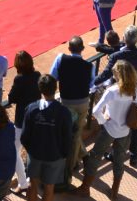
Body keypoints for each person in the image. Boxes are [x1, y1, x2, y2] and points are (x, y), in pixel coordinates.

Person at [77, 61, 137, 200]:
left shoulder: (112, 91)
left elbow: (95, 110)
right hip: (125, 132)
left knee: (95, 157)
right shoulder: (135, 89)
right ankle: (114, 192)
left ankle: (85, 188)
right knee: (119, 161)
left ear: (119, 75)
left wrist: (104, 120)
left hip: (109, 131)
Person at [21, 74, 73, 201]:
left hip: (35, 155)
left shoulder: (31, 108)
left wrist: (31, 151)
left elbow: (24, 136)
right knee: (50, 188)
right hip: (55, 157)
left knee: (32, 185)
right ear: (55, 89)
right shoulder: (64, 112)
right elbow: (67, 138)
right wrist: (63, 154)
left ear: (40, 89)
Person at [49, 36, 93, 183]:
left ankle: (70, 167)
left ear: (69, 49)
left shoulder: (61, 59)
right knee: (76, 132)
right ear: (82, 49)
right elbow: (92, 84)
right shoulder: (89, 66)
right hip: (83, 103)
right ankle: (80, 156)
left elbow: (52, 77)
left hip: (66, 103)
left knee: (66, 133)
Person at [7, 50, 40, 192]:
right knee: (32, 150)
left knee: (14, 151)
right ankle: (30, 179)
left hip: (22, 121)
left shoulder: (19, 79)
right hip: (36, 119)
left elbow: (11, 98)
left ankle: (23, 182)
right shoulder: (37, 75)